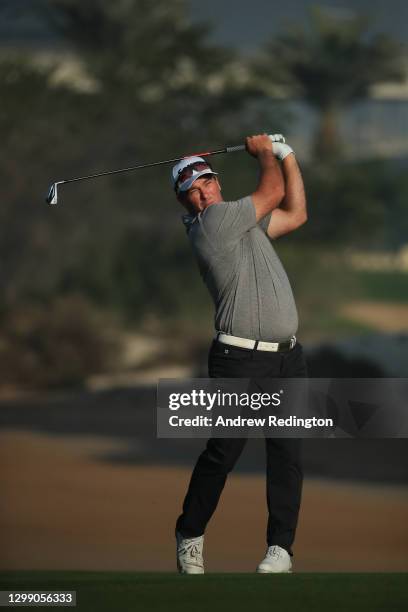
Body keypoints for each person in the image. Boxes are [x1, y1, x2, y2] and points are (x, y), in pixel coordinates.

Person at [172, 133, 308, 574]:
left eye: (206, 182)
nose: (202, 193)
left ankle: (280, 550)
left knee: (287, 452)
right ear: (185, 201)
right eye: (191, 189)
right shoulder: (214, 224)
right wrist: (267, 151)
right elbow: (272, 192)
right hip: (238, 359)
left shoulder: (242, 222)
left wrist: (287, 156)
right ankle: (189, 533)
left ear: (217, 181)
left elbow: (296, 213)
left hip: (287, 358)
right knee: (225, 452)